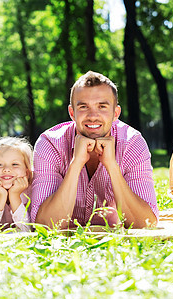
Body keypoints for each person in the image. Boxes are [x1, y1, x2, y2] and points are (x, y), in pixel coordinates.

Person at [31, 71, 159, 229]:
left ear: (115, 113)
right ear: (72, 113)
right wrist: (76, 164)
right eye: (84, 107)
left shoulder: (132, 143)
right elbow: (45, 226)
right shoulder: (50, 144)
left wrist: (112, 166)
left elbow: (146, 224)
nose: (93, 116)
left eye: (102, 106)